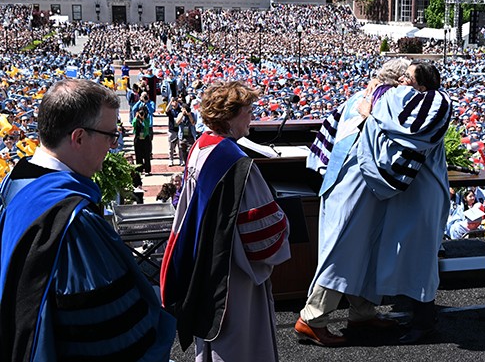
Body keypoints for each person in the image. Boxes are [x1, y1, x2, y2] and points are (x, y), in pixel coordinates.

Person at [0, 79, 175, 361]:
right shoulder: (74, 223)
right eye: (110, 135)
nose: (112, 146)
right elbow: (110, 336)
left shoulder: (14, 184)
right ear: (79, 137)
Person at [160, 81, 291, 362]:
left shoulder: (200, 147)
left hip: (203, 259)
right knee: (239, 341)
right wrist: (285, 221)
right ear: (230, 115)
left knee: (210, 331)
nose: (252, 116)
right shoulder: (238, 164)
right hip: (233, 269)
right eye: (247, 110)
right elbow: (262, 235)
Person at [298, 58, 411, 347]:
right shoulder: (389, 101)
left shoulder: (357, 97)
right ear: (399, 81)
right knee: (343, 250)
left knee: (364, 249)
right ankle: (312, 318)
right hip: (358, 184)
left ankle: (362, 311)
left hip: (342, 182)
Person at [362, 60, 451, 344]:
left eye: (408, 78)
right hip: (411, 194)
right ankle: (419, 316)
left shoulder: (434, 106)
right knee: (407, 256)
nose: (401, 80)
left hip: (424, 193)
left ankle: (424, 323)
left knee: (421, 259)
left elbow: (408, 132)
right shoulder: (406, 101)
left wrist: (372, 114)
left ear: (422, 88)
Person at [132, 104, 152, 175]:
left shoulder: (147, 119)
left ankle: (147, 170)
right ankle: (139, 169)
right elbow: (133, 124)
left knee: (146, 155)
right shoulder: (136, 119)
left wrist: (143, 119)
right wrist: (136, 117)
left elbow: (146, 127)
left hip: (145, 138)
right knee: (138, 155)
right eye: (140, 112)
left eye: (143, 113)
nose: (141, 114)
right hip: (138, 139)